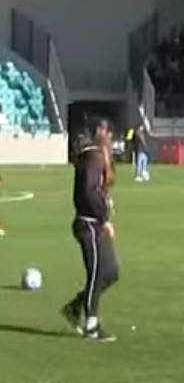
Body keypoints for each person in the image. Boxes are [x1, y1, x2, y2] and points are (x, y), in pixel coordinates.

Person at [60, 118, 119, 342]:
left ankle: (76, 307)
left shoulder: (98, 157)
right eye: (107, 131)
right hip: (89, 224)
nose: (111, 136)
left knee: (111, 271)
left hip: (97, 223)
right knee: (96, 272)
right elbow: (88, 191)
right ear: (98, 132)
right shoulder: (92, 157)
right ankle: (91, 324)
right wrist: (103, 213)